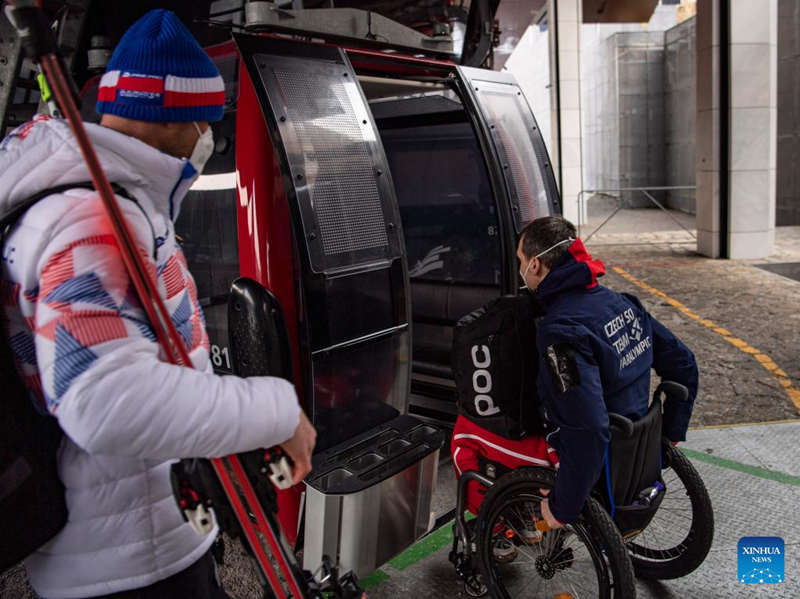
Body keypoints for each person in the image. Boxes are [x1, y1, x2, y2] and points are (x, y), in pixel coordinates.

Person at [0, 10, 315, 599]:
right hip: (123, 568)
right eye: (211, 120)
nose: (210, 137)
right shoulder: (90, 221)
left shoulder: (120, 205)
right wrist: (277, 411)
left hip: (141, 535)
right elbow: (103, 400)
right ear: (188, 118)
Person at [516, 215, 698, 530]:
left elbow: (588, 427)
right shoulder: (623, 303)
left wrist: (563, 508)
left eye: (520, 260)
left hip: (603, 458)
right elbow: (683, 363)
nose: (521, 269)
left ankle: (519, 526)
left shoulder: (560, 330)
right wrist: (668, 434)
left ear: (535, 265)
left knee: (486, 440)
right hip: (640, 439)